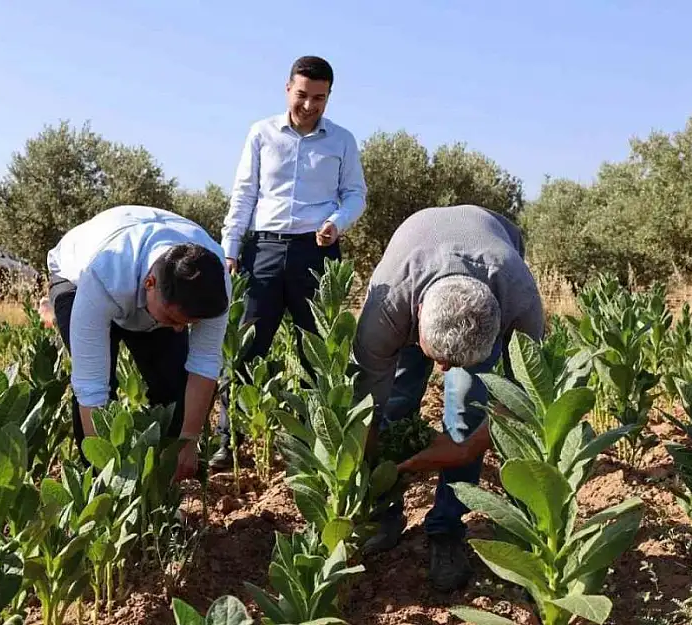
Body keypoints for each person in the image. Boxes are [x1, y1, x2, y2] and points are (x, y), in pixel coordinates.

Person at [351, 204, 544, 592]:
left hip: (491, 259)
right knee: (394, 401)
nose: (444, 371)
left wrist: (467, 449)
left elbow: (522, 397)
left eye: (453, 362)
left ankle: (446, 530)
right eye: (438, 358)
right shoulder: (386, 309)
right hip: (413, 259)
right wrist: (382, 463)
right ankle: (382, 511)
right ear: (416, 316)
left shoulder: (520, 300)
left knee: (468, 405)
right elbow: (365, 406)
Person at [211, 55, 367, 471]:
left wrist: (337, 223)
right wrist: (229, 249)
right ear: (287, 90)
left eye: (319, 98)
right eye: (303, 95)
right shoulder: (261, 134)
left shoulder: (343, 141)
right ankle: (228, 441)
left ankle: (316, 442)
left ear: (329, 96)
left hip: (317, 255)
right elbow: (243, 195)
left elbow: (355, 194)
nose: (310, 105)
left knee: (319, 350)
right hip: (262, 251)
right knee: (244, 348)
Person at [46, 205, 231, 482]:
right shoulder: (103, 275)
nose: (180, 329)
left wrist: (189, 441)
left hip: (146, 281)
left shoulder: (214, 282)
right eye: (173, 318)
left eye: (189, 323)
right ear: (150, 283)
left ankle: (163, 488)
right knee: (100, 387)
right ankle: (97, 484)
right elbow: (91, 387)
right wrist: (111, 479)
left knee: (173, 385)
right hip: (75, 277)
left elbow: (204, 364)